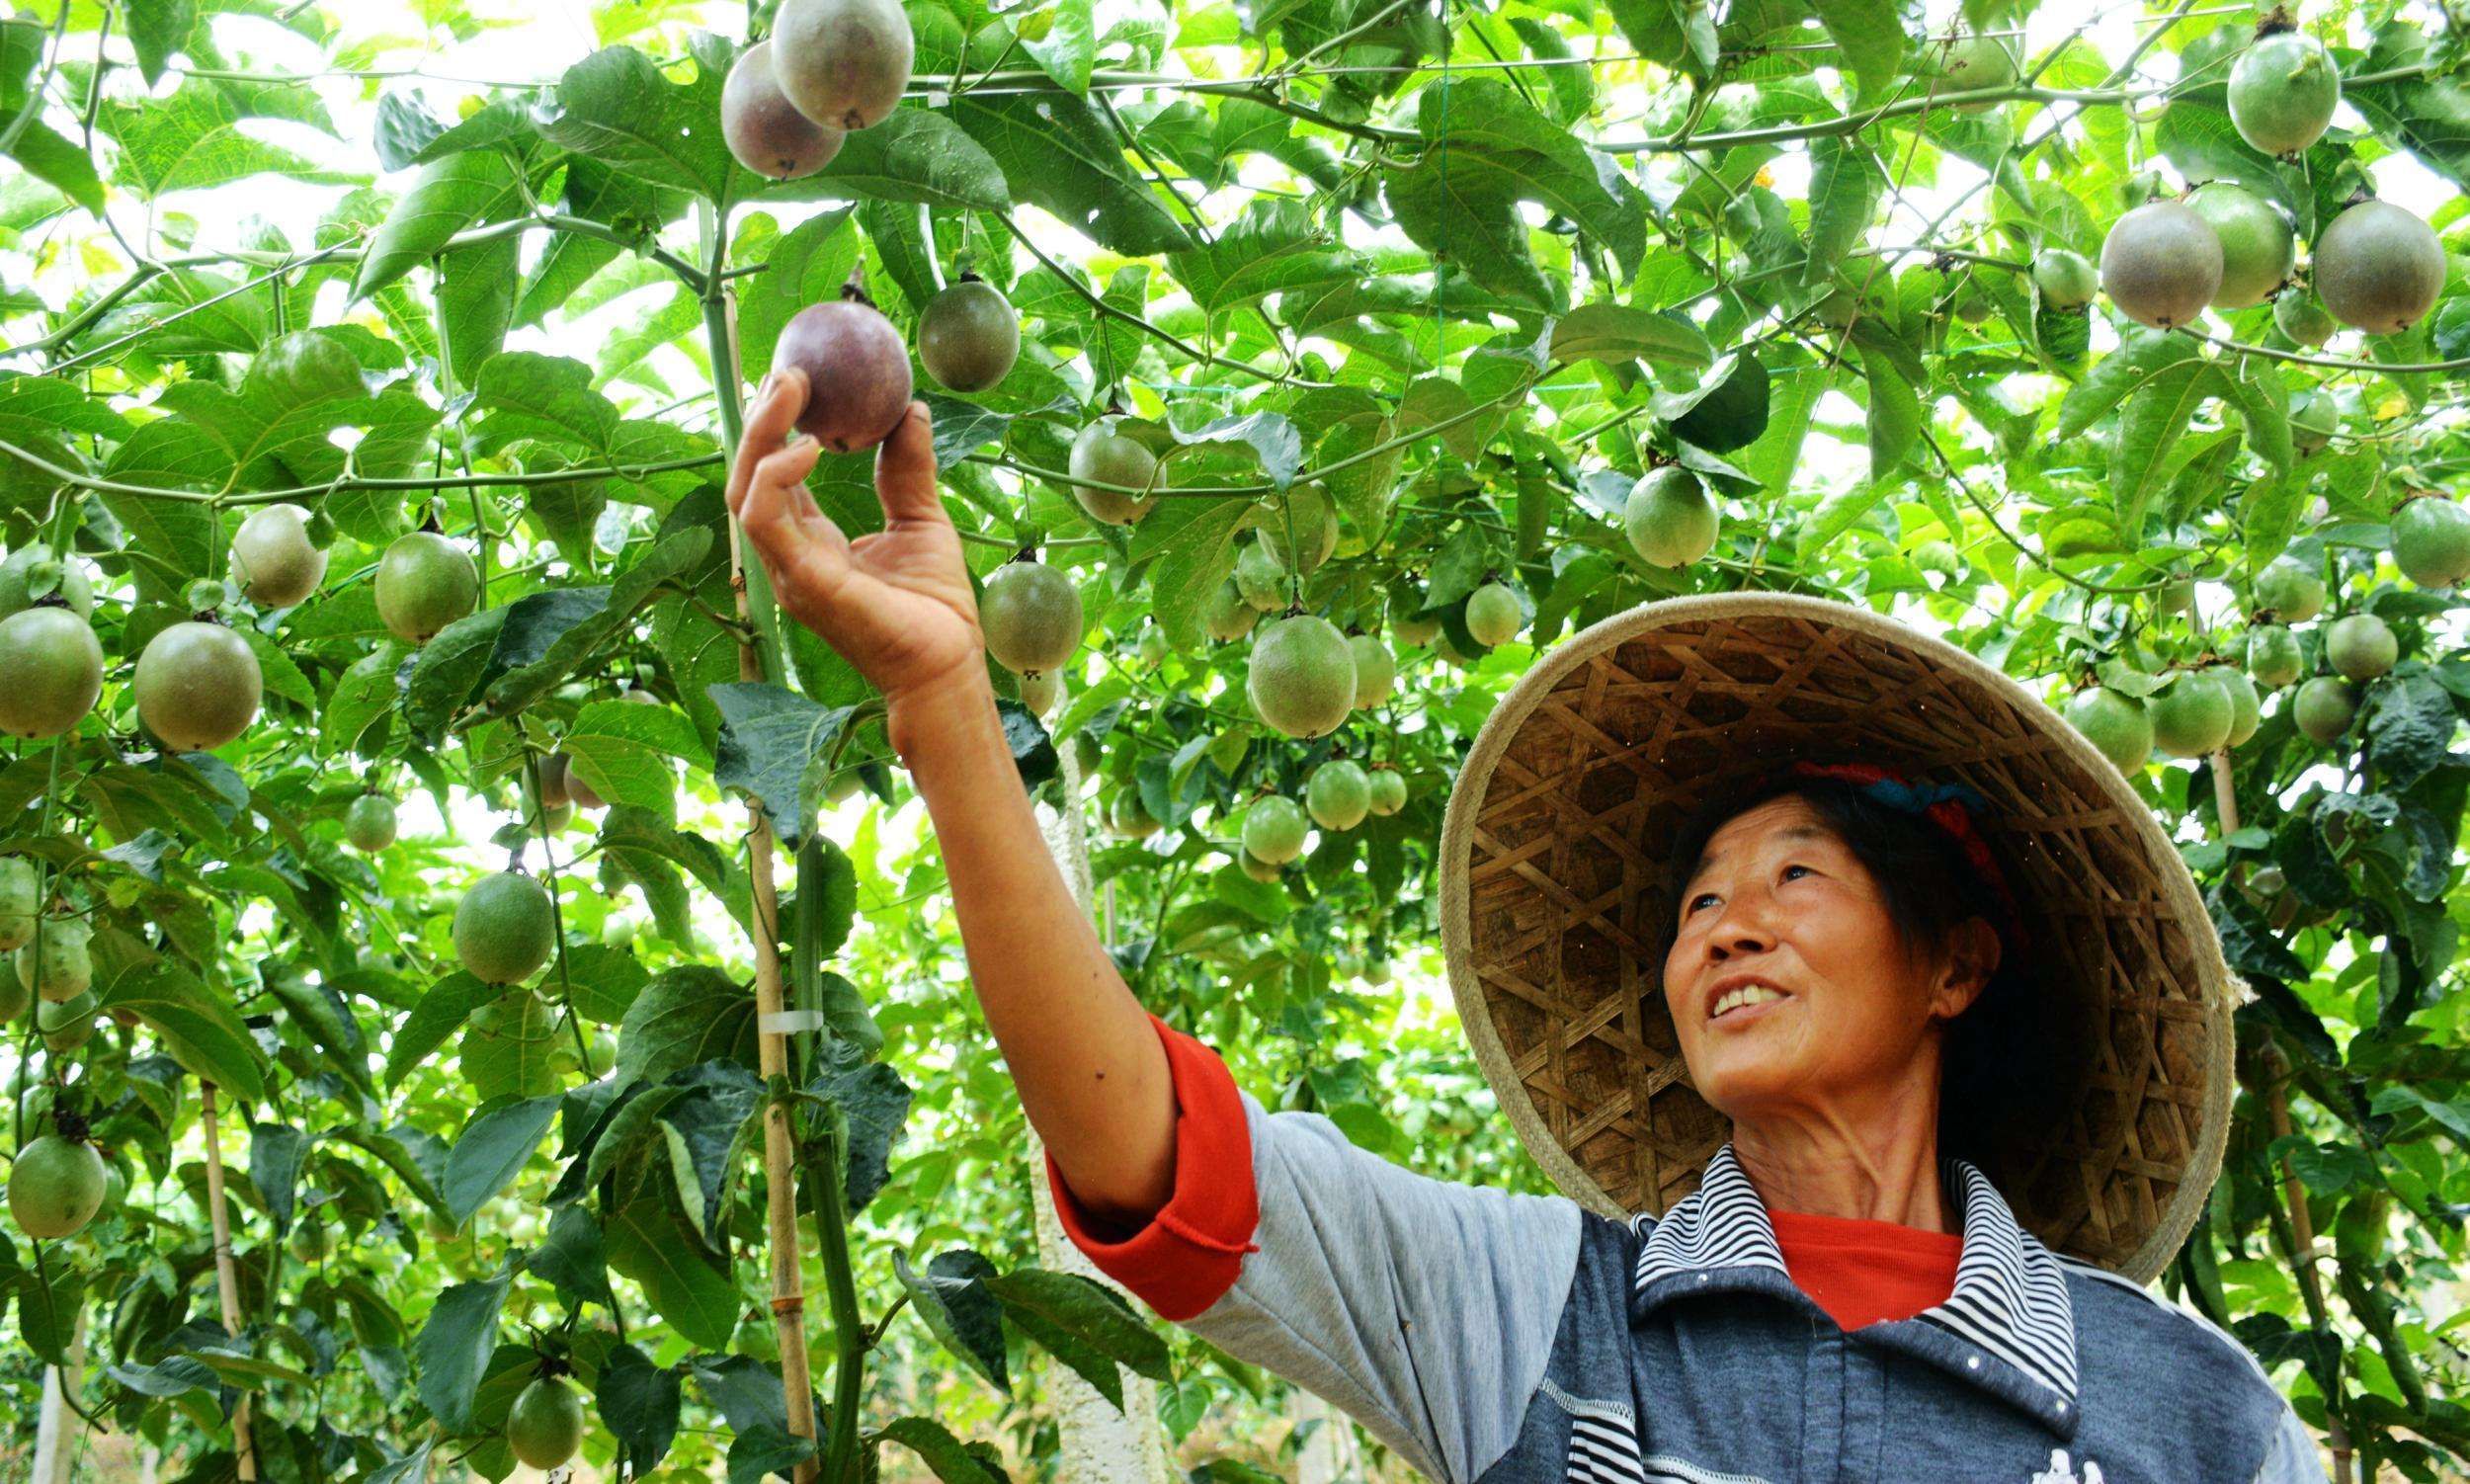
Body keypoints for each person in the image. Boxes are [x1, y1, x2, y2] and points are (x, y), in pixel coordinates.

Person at [728, 371, 2329, 1484]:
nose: (1722, 930)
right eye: (1696, 901)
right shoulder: (1541, 1315)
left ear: (1957, 964)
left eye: (1794, 878)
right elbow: (1151, 1145)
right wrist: (946, 704)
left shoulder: (2191, 1415)